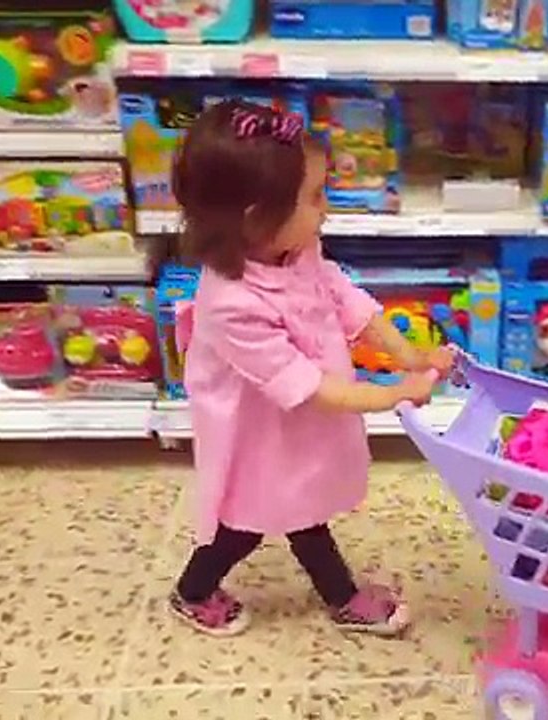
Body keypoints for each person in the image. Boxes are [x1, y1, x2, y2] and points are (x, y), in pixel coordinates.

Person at [166, 100, 453, 637]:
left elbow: (346, 299)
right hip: (256, 426)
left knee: (301, 503)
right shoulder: (230, 301)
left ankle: (341, 596)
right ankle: (193, 591)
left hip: (293, 421)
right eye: (316, 197)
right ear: (257, 217)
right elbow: (309, 387)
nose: (326, 209)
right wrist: (395, 393)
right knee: (249, 517)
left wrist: (411, 356)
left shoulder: (296, 250)